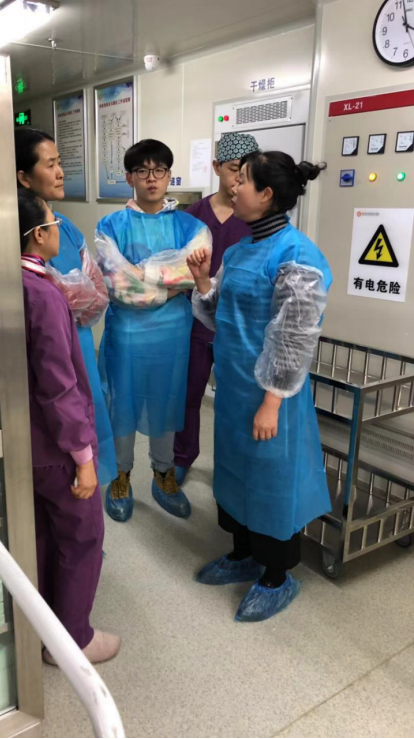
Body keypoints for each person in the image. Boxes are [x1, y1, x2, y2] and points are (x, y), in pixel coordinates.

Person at [188, 151, 333, 622]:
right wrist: (203, 281)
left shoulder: (296, 256)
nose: (234, 188)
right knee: (233, 471)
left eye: (244, 181)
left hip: (273, 397)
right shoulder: (239, 250)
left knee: (271, 479)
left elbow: (294, 338)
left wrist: (271, 400)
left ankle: (276, 574)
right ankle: (243, 552)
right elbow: (220, 316)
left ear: (267, 195)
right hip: (234, 387)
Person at [18, 188, 120, 663]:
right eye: (54, 222)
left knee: (41, 534)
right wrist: (82, 457)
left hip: (27, 442)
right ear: (39, 235)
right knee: (82, 536)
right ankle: (73, 639)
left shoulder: (8, 282)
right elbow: (59, 388)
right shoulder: (43, 294)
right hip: (58, 448)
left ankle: (44, 628)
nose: (60, 228)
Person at [96, 139, 211, 523]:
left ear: (168, 175)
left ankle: (164, 475)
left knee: (167, 401)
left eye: (159, 170)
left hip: (172, 335)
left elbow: (193, 276)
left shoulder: (190, 226)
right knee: (122, 404)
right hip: (127, 334)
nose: (151, 178)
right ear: (129, 177)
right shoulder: (110, 226)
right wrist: (169, 282)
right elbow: (118, 287)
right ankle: (120, 476)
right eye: (142, 171)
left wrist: (141, 275)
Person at [15, 128, 117, 487]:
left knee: (86, 415)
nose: (60, 173)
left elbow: (96, 296)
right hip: (45, 354)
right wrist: (65, 298)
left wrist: (72, 298)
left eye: (60, 163)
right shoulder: (11, 235)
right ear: (24, 177)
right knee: (54, 437)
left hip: (80, 345)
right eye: (50, 165)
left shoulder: (66, 227)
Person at [174, 132, 259, 486]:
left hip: (238, 327)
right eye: (233, 169)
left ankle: (233, 467)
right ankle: (182, 457)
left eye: (247, 171)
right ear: (216, 167)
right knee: (189, 395)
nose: (239, 178)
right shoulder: (192, 216)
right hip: (196, 323)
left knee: (237, 403)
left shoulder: (256, 218)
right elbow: (175, 269)